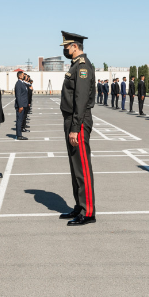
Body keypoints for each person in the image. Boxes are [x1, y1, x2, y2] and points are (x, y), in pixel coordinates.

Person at [58, 31, 96, 226]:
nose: (65, 49)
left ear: (75, 46)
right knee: (75, 167)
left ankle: (88, 211)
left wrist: (75, 127)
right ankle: (79, 206)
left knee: (82, 167)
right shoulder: (75, 66)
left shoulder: (82, 67)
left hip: (78, 121)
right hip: (73, 120)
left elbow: (80, 100)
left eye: (66, 46)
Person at [14, 71, 28, 140]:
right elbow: (18, 96)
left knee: (21, 120)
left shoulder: (22, 83)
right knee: (19, 120)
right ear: (19, 76)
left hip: (23, 105)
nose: (24, 76)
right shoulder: (18, 84)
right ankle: (19, 135)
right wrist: (20, 106)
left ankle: (19, 134)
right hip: (21, 105)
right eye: (23, 75)